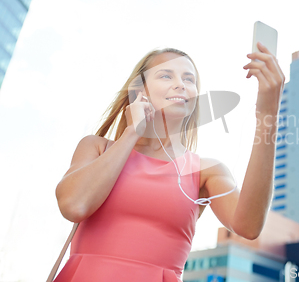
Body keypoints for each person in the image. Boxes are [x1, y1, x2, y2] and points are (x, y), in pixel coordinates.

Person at [53, 42, 285, 281]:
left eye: (189, 79)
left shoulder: (205, 171)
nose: (180, 84)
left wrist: (268, 117)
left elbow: (248, 226)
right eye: (166, 75)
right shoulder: (97, 147)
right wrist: (132, 133)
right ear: (139, 90)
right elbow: (74, 205)